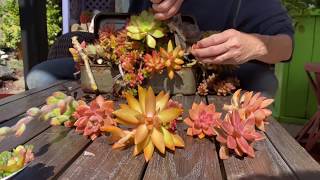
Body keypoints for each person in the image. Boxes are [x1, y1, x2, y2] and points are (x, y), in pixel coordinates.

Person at [27, 0, 293, 97]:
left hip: (212, 78)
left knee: (264, 82)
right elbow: (134, 29)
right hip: (146, 73)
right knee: (40, 76)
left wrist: (256, 45)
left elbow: (286, 46)